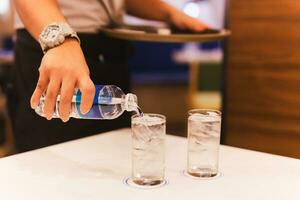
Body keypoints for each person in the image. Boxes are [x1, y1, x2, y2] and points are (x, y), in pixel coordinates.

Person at [13, 0, 208, 152]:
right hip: (56, 48)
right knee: (56, 171)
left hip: (109, 49)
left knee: (109, 165)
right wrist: (60, 41)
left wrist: (169, 13)